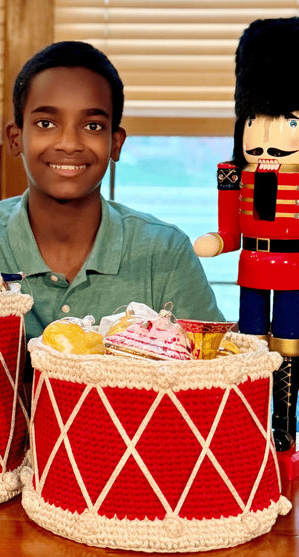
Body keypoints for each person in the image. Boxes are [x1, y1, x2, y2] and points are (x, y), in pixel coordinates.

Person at [0, 41, 223, 348]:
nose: (69, 143)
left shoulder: (165, 252)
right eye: (46, 123)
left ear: (116, 143)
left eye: (92, 126)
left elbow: (213, 368)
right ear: (16, 138)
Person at [194, 18, 299, 456]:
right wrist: (218, 241)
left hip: (293, 272)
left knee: (289, 343)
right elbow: (230, 230)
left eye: (287, 122)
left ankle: (284, 425)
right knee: (250, 341)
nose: (267, 138)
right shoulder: (235, 174)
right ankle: (250, 420)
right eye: (256, 120)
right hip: (251, 268)